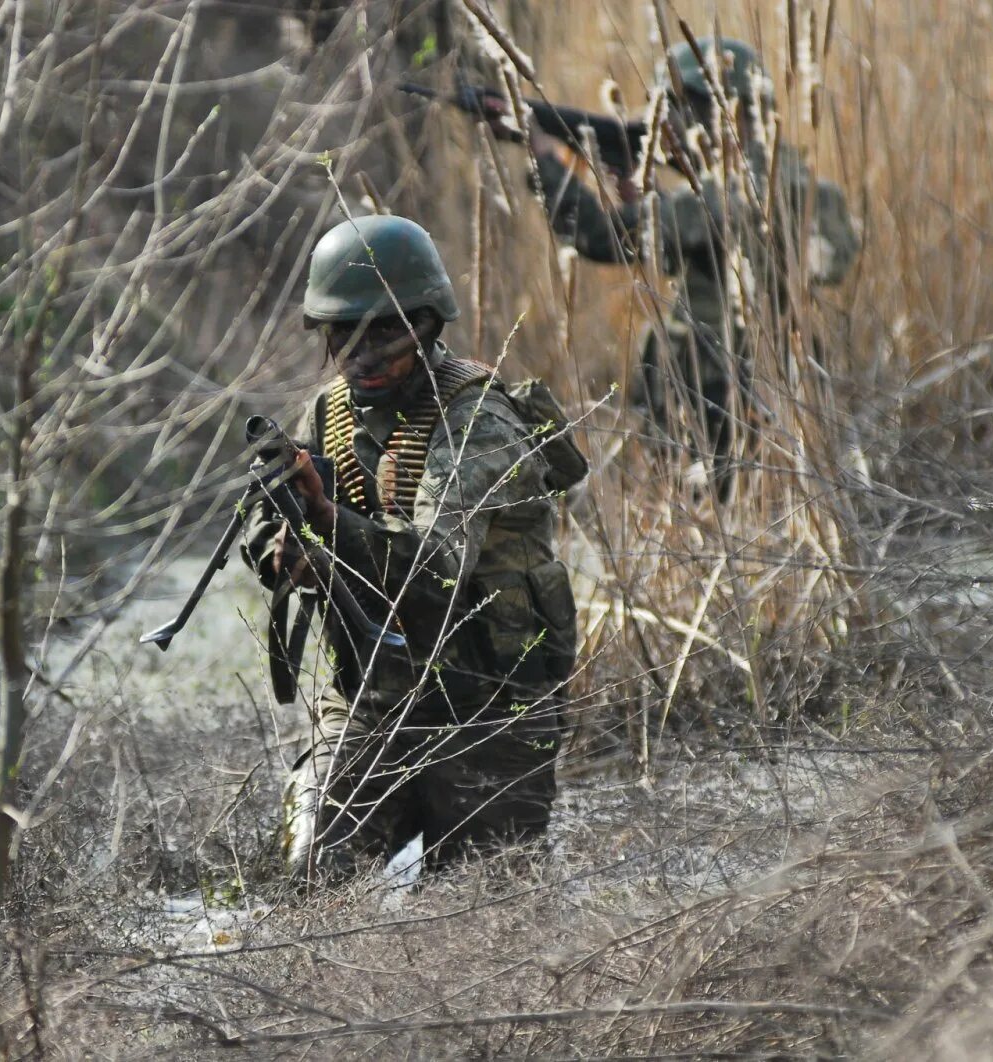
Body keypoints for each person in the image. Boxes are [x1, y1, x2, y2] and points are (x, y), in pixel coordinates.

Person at [241, 214, 580, 883]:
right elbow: (263, 521)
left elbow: (436, 569)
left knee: (484, 907)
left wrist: (329, 521)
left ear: (428, 324)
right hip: (374, 693)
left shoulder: (479, 423)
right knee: (312, 869)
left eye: (386, 332)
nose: (364, 354)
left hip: (492, 704)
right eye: (346, 334)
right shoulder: (327, 414)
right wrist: (282, 549)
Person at [530, 37, 860, 494]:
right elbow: (716, 248)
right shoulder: (807, 190)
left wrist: (543, 157)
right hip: (783, 390)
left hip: (712, 397)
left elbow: (597, 237)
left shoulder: (722, 198)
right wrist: (638, 195)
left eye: (684, 113)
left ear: (730, 114)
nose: (672, 128)